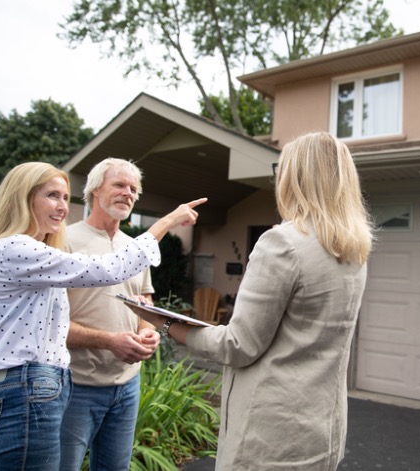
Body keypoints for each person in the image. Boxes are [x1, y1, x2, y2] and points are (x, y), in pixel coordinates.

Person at [134, 132, 374, 470]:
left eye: (281, 168)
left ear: (296, 176)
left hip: (272, 435)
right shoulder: (354, 249)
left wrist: (166, 322)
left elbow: (237, 345)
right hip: (323, 427)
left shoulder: (282, 243)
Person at [0, 161, 206, 471]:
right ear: (23, 196)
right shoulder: (16, 249)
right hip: (31, 386)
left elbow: (54, 320)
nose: (62, 207)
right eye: (52, 196)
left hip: (53, 384)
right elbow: (108, 269)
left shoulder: (36, 249)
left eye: (64, 197)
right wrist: (166, 221)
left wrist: (144, 323)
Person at [58, 158, 158, 470]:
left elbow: (144, 303)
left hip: (127, 386)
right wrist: (109, 341)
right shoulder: (62, 240)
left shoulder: (135, 247)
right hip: (75, 385)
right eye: (119, 184)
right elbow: (47, 323)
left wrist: (148, 330)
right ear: (94, 190)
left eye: (133, 189)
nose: (128, 193)